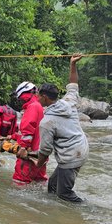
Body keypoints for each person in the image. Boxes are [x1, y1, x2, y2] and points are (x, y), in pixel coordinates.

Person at [33, 53, 89, 202]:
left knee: (64, 194)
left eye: (38, 96)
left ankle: (90, 213)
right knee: (52, 185)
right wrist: (72, 64)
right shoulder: (68, 102)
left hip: (71, 156)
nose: (37, 98)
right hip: (81, 148)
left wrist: (37, 165)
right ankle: (52, 208)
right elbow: (73, 85)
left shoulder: (47, 122)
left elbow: (45, 150)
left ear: (44, 97)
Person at [11, 81, 47, 185]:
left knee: (19, 182)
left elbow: (28, 129)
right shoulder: (39, 106)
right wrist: (14, 136)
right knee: (39, 182)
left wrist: (23, 147)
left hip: (29, 154)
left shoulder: (32, 107)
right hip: (40, 154)